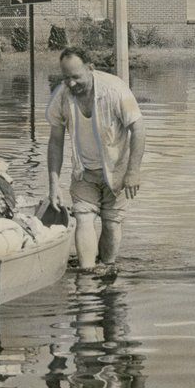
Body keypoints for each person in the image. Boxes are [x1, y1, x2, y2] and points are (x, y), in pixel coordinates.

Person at [46, 47, 146, 278]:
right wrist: (54, 185)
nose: (70, 84)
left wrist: (133, 171)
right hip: (84, 173)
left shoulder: (115, 90)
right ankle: (88, 277)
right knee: (83, 218)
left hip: (117, 172)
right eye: (65, 77)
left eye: (76, 77)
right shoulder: (61, 96)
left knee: (111, 224)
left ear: (90, 68)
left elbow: (138, 129)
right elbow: (55, 142)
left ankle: (108, 269)